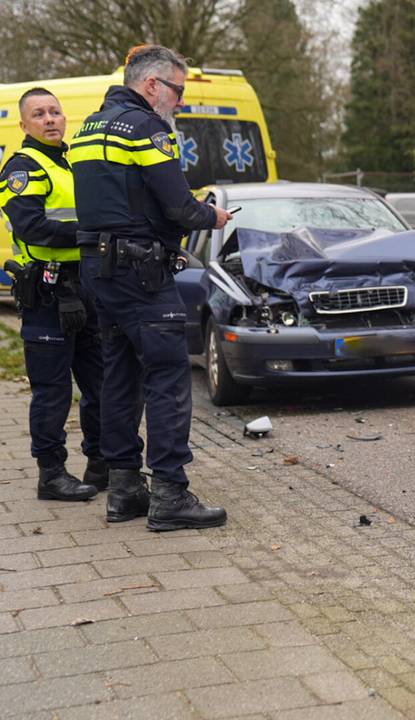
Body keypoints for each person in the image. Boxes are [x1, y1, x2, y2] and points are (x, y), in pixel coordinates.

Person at [70, 45, 232, 529]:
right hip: (142, 277)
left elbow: (117, 205)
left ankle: (124, 490)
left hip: (99, 273)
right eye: (177, 91)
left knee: (118, 378)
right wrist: (213, 215)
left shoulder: (86, 129)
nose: (178, 102)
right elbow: (179, 207)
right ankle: (169, 495)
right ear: (151, 85)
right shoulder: (146, 129)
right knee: (167, 379)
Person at [0, 87, 105, 502]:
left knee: (101, 383)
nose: (50, 119)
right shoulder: (22, 168)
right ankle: (51, 474)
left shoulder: (73, 163)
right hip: (47, 292)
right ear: (24, 124)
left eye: (55, 112)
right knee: (53, 389)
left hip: (87, 286)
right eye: (39, 114)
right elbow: (32, 228)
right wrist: (90, 236)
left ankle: (101, 463)